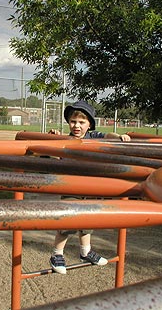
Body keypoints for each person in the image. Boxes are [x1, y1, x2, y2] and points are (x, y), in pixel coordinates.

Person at [48, 100, 131, 274]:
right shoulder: (65, 139)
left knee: (88, 221)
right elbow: (50, 153)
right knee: (68, 221)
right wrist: (53, 137)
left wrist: (119, 137)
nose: (76, 126)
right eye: (73, 122)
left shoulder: (93, 138)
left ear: (89, 124)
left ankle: (85, 251)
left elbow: (108, 136)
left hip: (91, 187)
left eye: (81, 122)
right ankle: (56, 254)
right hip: (71, 187)